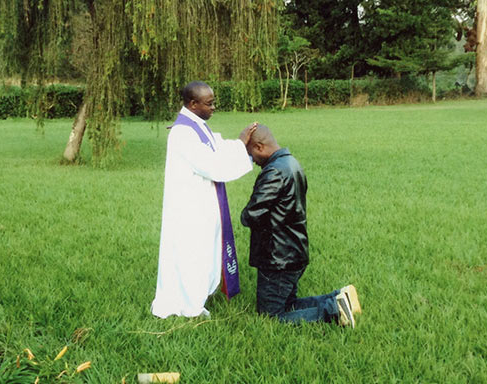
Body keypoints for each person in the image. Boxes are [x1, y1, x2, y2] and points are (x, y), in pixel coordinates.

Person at [151, 81, 256, 318]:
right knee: (191, 254)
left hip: (202, 204)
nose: (214, 107)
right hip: (189, 209)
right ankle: (189, 306)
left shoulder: (197, 125)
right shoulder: (183, 132)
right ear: (193, 104)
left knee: (203, 251)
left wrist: (240, 144)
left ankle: (198, 297)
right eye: (209, 104)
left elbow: (217, 148)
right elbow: (213, 165)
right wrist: (241, 145)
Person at [240, 125, 362, 327]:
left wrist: (244, 215)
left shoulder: (273, 172)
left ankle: (334, 311)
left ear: (259, 147)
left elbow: (251, 215)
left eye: (250, 154)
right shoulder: (291, 163)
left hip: (277, 259)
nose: (252, 161)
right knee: (289, 306)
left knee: (270, 317)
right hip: (294, 252)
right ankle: (341, 297)